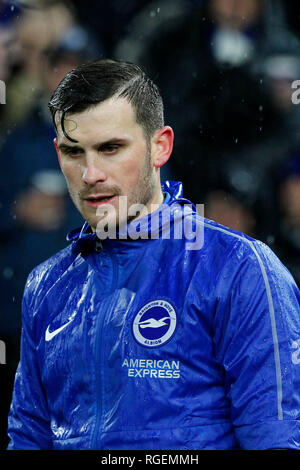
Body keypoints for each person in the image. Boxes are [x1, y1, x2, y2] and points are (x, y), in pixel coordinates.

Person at [7, 59, 300, 450]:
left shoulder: (240, 268)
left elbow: (275, 440)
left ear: (159, 147)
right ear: (58, 153)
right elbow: (28, 439)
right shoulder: (45, 286)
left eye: (110, 148)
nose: (91, 173)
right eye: (75, 152)